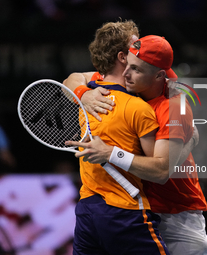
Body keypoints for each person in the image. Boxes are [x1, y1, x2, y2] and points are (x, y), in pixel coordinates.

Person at [66, 35, 207, 254]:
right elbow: (72, 79)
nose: (125, 73)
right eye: (126, 65)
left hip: (176, 216)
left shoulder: (172, 107)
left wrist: (110, 153)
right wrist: (83, 94)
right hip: (138, 209)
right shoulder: (133, 80)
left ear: (158, 76)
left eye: (135, 69)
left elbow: (161, 171)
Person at [64, 20, 171, 255]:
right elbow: (159, 171)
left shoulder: (89, 93)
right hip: (125, 212)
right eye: (136, 45)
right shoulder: (138, 108)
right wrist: (113, 154)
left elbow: (70, 80)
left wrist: (82, 94)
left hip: (86, 211)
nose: (141, 48)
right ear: (123, 57)